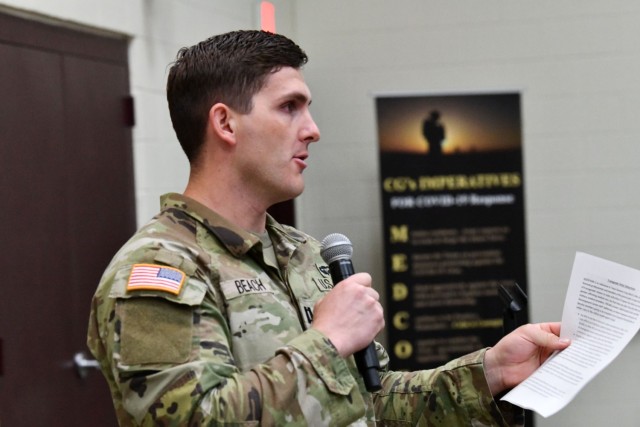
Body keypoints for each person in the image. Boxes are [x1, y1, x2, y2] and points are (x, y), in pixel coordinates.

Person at [87, 30, 569, 426]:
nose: (313, 128)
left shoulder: (303, 254)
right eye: (289, 107)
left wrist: (490, 371)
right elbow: (194, 419)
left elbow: (373, 400)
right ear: (225, 124)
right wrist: (327, 339)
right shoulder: (158, 271)